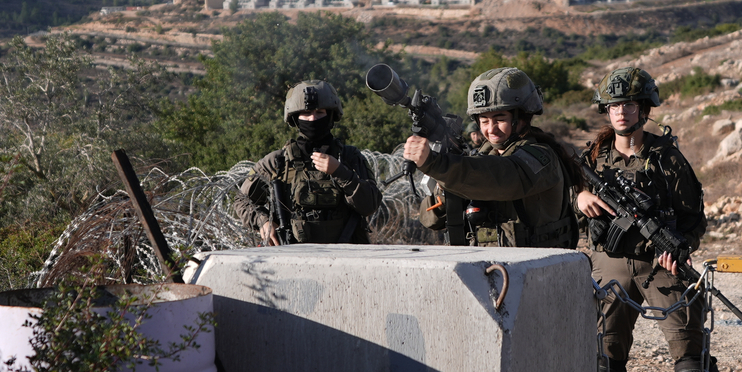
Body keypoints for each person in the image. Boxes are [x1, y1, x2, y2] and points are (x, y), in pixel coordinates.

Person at [576, 66, 737, 372]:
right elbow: (566, 195)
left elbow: (693, 219)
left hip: (660, 267)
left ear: (644, 108)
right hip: (609, 264)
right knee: (603, 363)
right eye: (613, 105)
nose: (621, 112)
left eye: (629, 104)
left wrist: (678, 247)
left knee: (690, 366)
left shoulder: (667, 157)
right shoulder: (594, 157)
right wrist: (581, 197)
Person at [402, 67, 579, 248]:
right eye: (484, 121)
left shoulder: (542, 157)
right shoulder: (481, 157)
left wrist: (437, 165)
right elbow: (430, 219)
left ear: (523, 117)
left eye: (500, 119)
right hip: (490, 268)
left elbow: (502, 176)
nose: (491, 129)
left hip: (538, 270)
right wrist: (444, 187)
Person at [233, 80, 382, 244]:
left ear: (331, 115)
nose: (313, 119)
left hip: (345, 257)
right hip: (293, 257)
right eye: (306, 113)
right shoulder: (277, 162)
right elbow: (242, 201)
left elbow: (370, 205)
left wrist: (340, 172)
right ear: (295, 118)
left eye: (320, 112)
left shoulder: (349, 157)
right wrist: (263, 221)